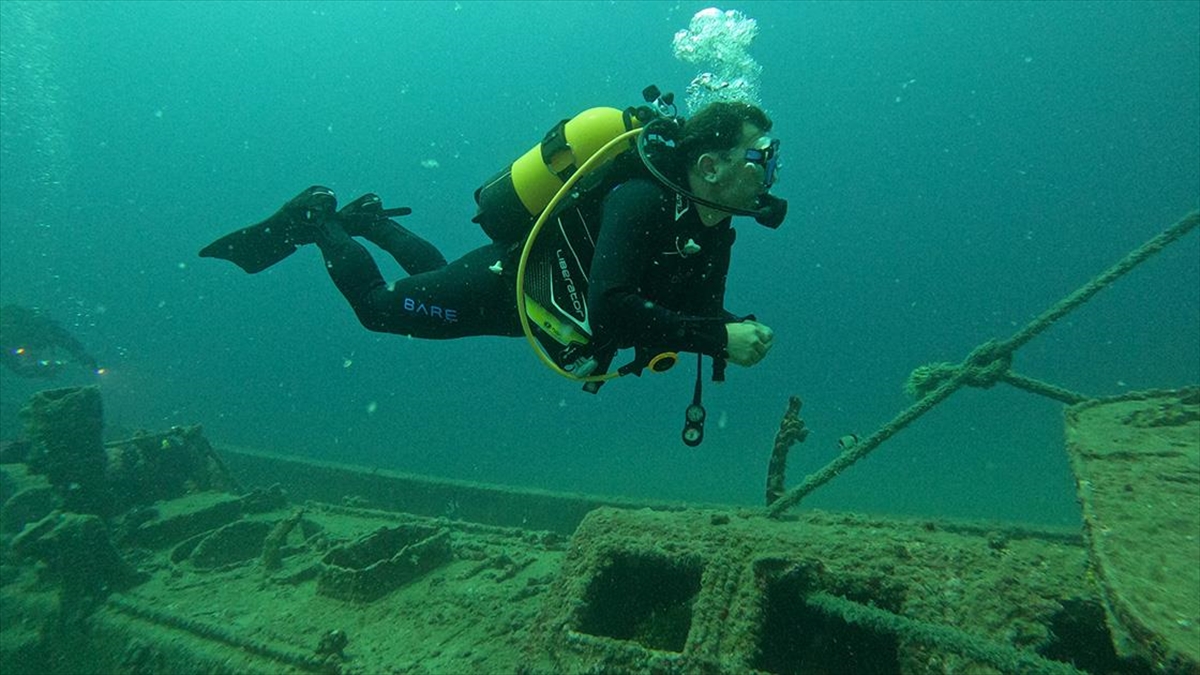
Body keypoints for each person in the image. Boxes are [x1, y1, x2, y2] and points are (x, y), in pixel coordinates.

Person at [201, 100, 781, 387]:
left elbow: (695, 312)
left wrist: (731, 328)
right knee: (378, 309)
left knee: (437, 277)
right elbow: (612, 306)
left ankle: (371, 221)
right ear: (709, 166)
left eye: (771, 156)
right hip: (509, 289)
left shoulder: (713, 225)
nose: (770, 170)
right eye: (761, 156)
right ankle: (319, 219)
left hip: (526, 294)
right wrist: (717, 338)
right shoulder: (642, 200)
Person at [0, 304, 100, 379]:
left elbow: (68, 341)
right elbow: (68, 342)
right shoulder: (43, 329)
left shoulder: (42, 328)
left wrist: (83, 357)